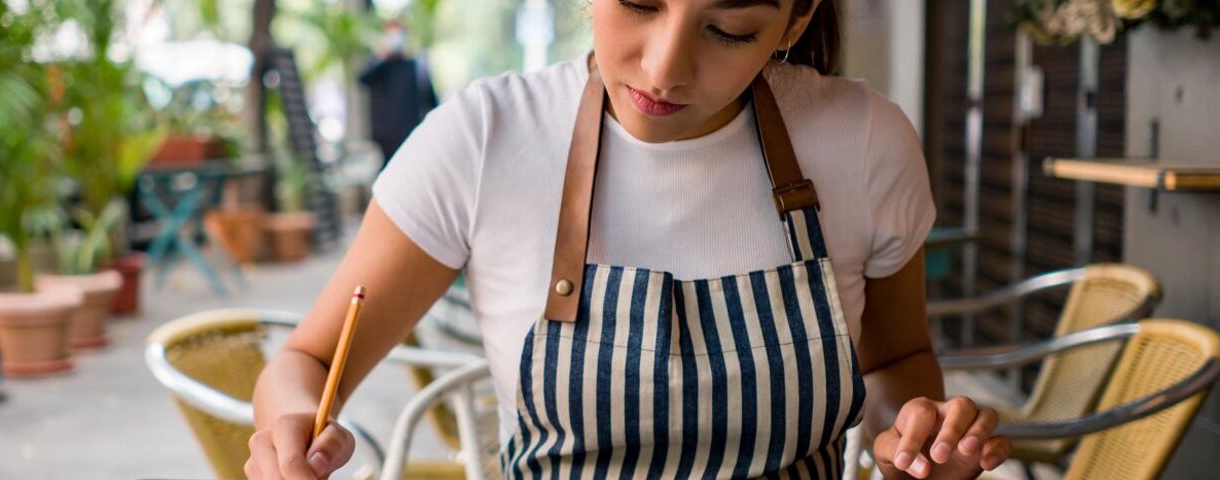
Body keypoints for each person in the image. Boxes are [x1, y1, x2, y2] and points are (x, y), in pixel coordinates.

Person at [249, 1, 1012, 478]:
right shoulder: (481, 140)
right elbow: (310, 360)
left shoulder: (865, 142)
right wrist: (291, 430)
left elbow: (896, 362)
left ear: (796, 21)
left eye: (728, 29)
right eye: (640, 2)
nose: (664, 66)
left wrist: (918, 438)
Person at [357, 21, 438, 167]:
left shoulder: (416, 66)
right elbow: (362, 80)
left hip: (410, 133)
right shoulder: (380, 65)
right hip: (384, 136)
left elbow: (431, 101)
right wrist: (382, 56)